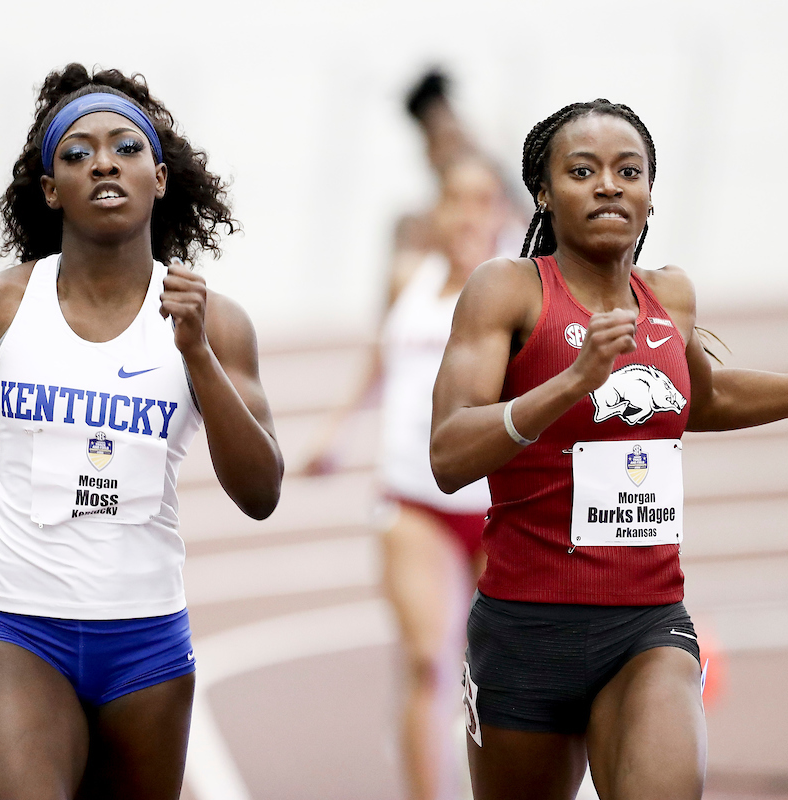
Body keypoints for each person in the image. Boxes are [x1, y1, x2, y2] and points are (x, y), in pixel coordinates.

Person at [429, 98, 788, 800]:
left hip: (646, 625)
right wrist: (572, 383)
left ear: (650, 195)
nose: (609, 185)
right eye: (583, 171)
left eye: (629, 170)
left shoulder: (670, 296)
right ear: (545, 193)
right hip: (526, 628)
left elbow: (707, 400)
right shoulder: (508, 291)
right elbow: (450, 453)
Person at [0, 64, 283, 800]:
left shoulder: (213, 321)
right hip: (17, 629)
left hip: (147, 645)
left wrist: (194, 351)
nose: (103, 162)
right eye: (76, 153)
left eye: (126, 148)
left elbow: (261, 492)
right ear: (48, 189)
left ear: (160, 178)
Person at [301, 73, 516, 800]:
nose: (466, 215)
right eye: (455, 200)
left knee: (512, 669)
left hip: (501, 505)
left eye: (483, 202)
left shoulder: (521, 290)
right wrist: (334, 433)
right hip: (413, 497)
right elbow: (378, 354)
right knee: (428, 660)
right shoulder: (409, 273)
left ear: (503, 215)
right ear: (437, 207)